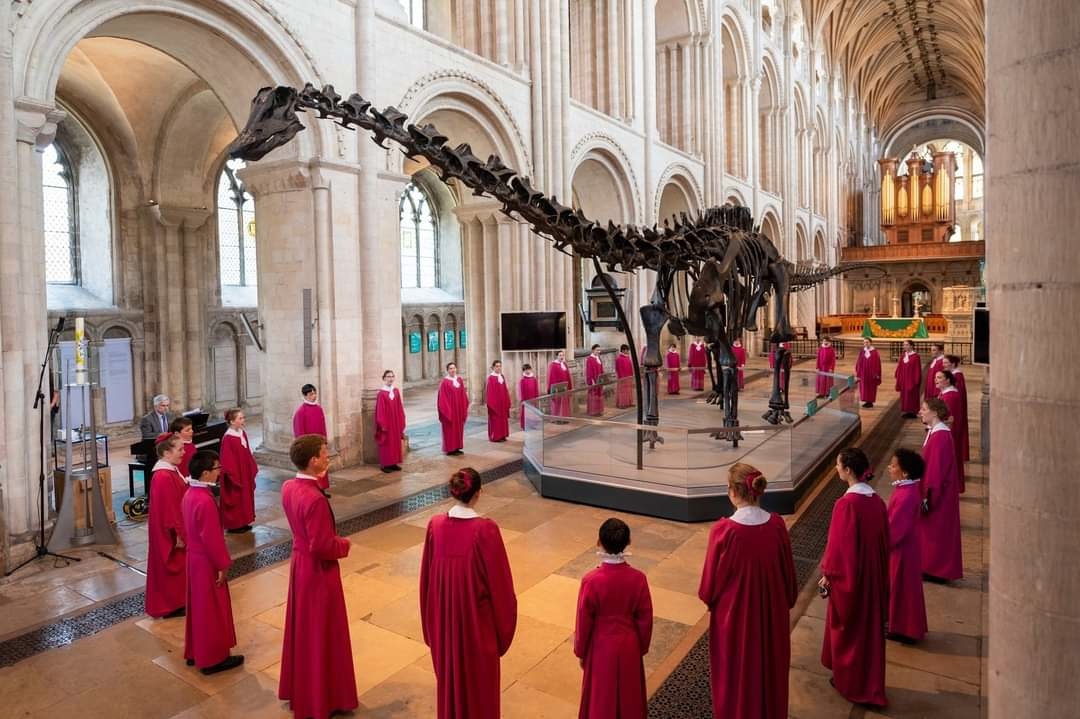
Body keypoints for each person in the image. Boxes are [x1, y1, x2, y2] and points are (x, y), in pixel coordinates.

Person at [699, 463, 797, 719]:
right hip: (772, 611)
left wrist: (710, 600)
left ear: (732, 491)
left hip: (735, 615)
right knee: (769, 666)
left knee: (738, 670)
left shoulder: (724, 531)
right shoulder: (776, 526)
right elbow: (789, 575)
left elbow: (709, 585)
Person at [420, 468, 517, 719]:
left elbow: (426, 583)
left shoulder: (435, 526)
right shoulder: (485, 531)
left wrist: (432, 628)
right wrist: (501, 634)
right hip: (477, 629)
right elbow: (501, 588)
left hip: (444, 625)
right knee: (478, 692)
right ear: (479, 493)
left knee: (450, 683)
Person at [279, 435, 358, 719]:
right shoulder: (314, 499)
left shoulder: (289, 486)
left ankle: (304, 690)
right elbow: (323, 545)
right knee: (322, 632)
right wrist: (344, 545)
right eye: (325, 454)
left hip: (300, 564)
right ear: (313, 461)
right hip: (317, 571)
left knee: (304, 630)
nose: (328, 458)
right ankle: (324, 696)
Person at [819, 447, 889, 708]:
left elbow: (839, 548)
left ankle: (851, 683)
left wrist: (829, 576)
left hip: (853, 578)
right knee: (869, 631)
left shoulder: (846, 505)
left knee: (851, 632)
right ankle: (870, 682)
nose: (836, 469)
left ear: (848, 470)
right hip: (873, 576)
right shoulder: (877, 502)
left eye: (838, 465)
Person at [575, 518, 653, 719]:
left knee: (601, 699)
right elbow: (645, 619)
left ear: (598, 543)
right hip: (629, 645)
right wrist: (640, 647)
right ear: (628, 543)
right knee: (629, 698)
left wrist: (581, 650)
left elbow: (583, 621)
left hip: (600, 647)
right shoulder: (638, 578)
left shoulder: (591, 581)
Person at [182, 450, 244, 675]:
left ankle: (195, 651)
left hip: (194, 558)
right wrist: (222, 564)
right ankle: (212, 658)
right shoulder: (205, 501)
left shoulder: (190, 493)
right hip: (207, 561)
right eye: (217, 469)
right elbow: (213, 538)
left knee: (198, 607)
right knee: (211, 609)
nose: (220, 472)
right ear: (206, 473)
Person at [885, 448, 928, 644]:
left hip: (901, 551)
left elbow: (895, 529)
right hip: (905, 548)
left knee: (901, 589)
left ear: (905, 473)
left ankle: (903, 628)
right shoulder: (906, 490)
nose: (889, 468)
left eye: (893, 466)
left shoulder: (905, 495)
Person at [918, 399, 964, 582]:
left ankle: (937, 569)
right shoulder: (935, 433)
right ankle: (930, 566)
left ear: (935, 412)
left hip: (938, 494)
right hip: (935, 490)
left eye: (924, 409)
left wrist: (928, 496)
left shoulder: (941, 436)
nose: (921, 412)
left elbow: (936, 470)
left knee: (936, 531)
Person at [145, 432, 188, 619]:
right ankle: (170, 605)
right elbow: (169, 509)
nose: (184, 452)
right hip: (169, 532)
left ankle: (178, 601)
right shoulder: (163, 476)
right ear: (166, 453)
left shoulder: (170, 470)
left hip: (175, 527)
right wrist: (178, 535)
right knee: (172, 566)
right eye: (180, 449)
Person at [219, 408, 257, 533]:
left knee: (245, 498)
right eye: (240, 418)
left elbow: (247, 452)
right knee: (236, 498)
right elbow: (227, 460)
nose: (243, 420)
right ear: (231, 421)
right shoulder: (228, 438)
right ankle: (235, 525)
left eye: (243, 417)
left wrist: (252, 466)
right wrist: (234, 476)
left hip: (244, 471)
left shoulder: (242, 433)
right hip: (235, 474)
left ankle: (244, 521)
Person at [936, 370, 967, 494]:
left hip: (949, 435)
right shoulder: (945, 393)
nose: (936, 380)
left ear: (948, 380)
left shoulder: (951, 396)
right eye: (935, 377)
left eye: (939, 377)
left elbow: (950, 419)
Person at [375, 370, 407, 472]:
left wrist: (401, 420)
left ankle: (393, 463)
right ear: (384, 378)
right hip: (387, 423)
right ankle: (385, 465)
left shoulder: (396, 391)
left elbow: (399, 407)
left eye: (392, 376)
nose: (390, 378)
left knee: (395, 443)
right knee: (387, 443)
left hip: (396, 422)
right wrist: (383, 424)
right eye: (388, 376)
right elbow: (380, 410)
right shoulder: (381, 394)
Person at [437, 363, 469, 456]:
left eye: (454, 368)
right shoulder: (444, 382)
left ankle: (457, 447)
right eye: (450, 368)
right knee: (450, 430)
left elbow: (463, 394)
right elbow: (442, 399)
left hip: (458, 410)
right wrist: (448, 413)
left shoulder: (459, 380)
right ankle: (450, 449)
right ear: (447, 370)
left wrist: (463, 408)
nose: (453, 370)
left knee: (458, 429)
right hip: (450, 412)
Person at [943, 355, 970, 463]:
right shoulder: (952, 374)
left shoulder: (957, 375)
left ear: (953, 364)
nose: (943, 365)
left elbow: (959, 393)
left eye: (946, 363)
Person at [894, 340, 923, 417]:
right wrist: (898, 375)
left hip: (912, 380)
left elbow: (917, 370)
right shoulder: (903, 355)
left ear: (911, 346)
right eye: (904, 345)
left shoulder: (916, 356)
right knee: (904, 396)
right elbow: (899, 367)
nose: (905, 346)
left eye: (907, 345)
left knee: (911, 396)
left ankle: (912, 412)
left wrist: (916, 381)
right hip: (904, 380)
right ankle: (906, 410)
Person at [485, 360, 511, 442]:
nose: (498, 368)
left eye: (500, 366)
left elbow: (505, 389)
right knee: (496, 420)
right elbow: (489, 392)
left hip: (502, 403)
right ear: (493, 367)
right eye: (497, 366)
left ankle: (502, 435)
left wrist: (507, 400)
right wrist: (492, 405)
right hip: (495, 404)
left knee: (503, 420)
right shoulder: (491, 378)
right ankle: (495, 436)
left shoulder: (502, 376)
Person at [855, 338, 882, 408]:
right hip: (863, 373)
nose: (865, 344)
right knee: (864, 387)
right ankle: (866, 401)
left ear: (870, 343)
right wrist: (858, 371)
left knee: (871, 387)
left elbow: (877, 363)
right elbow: (859, 362)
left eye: (867, 342)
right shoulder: (862, 351)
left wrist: (876, 373)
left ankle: (870, 401)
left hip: (871, 374)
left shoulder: (874, 352)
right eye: (864, 343)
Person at [547, 350, 572, 417]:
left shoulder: (564, 364)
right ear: (556, 356)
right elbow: (551, 377)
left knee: (564, 403)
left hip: (564, 387)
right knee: (557, 404)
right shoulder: (553, 365)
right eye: (560, 355)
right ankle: (557, 418)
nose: (562, 357)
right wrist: (554, 388)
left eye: (563, 355)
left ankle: (564, 417)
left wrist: (569, 386)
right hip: (557, 388)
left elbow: (568, 376)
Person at [518, 364, 539, 430]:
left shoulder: (534, 379)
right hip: (526, 398)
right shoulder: (522, 380)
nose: (528, 371)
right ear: (524, 371)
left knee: (532, 412)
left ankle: (532, 424)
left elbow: (536, 388)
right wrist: (522, 399)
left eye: (529, 369)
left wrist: (537, 397)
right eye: (526, 370)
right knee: (525, 412)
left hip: (533, 398)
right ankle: (524, 425)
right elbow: (521, 390)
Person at [585, 344, 604, 416]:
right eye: (597, 350)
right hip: (593, 380)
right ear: (593, 350)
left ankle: (598, 410)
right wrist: (592, 381)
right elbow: (589, 371)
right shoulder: (590, 359)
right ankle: (593, 411)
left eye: (599, 350)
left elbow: (601, 369)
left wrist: (602, 378)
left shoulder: (598, 358)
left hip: (599, 380)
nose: (599, 351)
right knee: (593, 395)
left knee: (599, 395)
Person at [614, 345, 635, 409]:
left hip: (628, 376)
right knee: (622, 391)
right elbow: (619, 369)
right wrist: (622, 378)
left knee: (629, 390)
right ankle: (622, 404)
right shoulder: (619, 358)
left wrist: (631, 375)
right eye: (627, 350)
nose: (628, 351)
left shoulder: (627, 357)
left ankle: (628, 402)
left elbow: (630, 366)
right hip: (623, 378)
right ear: (623, 350)